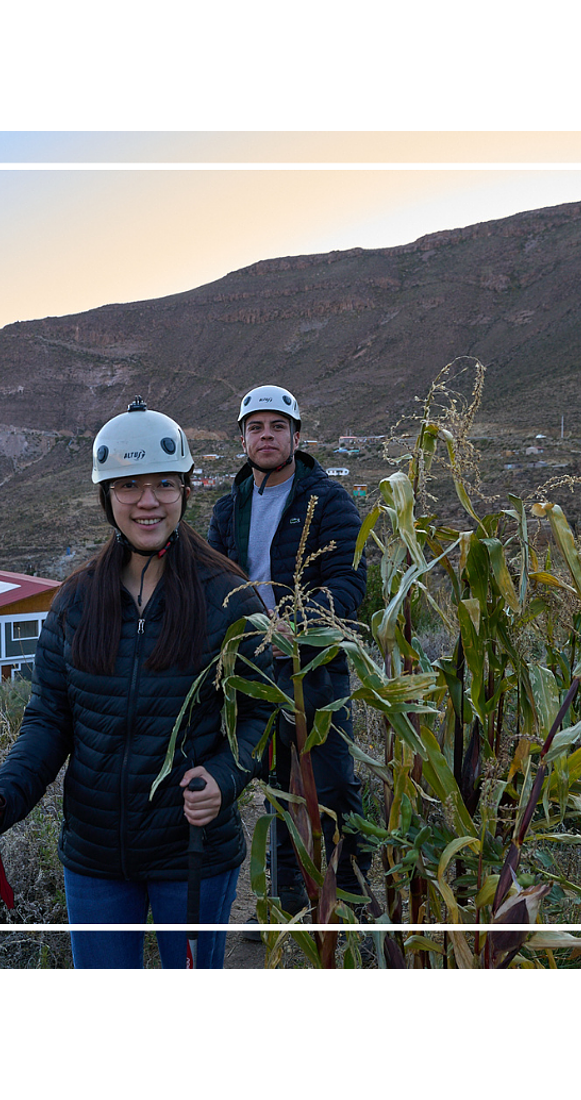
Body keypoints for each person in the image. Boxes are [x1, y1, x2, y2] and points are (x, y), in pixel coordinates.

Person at [0, 397, 271, 969]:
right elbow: (50, 720)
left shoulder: (228, 598)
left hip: (194, 852)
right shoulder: (76, 601)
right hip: (96, 857)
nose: (147, 501)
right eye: (129, 486)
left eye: (163, 484)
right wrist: (4, 795)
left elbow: (261, 714)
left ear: (184, 491)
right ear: (107, 497)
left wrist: (225, 779)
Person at [207, 384, 369, 917]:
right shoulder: (229, 508)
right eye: (256, 427)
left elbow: (348, 582)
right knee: (279, 788)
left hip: (315, 668)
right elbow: (212, 584)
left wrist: (294, 621)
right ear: (243, 438)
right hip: (251, 669)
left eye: (278, 427)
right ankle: (285, 902)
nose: (267, 436)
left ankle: (350, 898)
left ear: (297, 437)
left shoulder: (328, 500)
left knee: (331, 784)